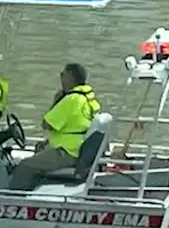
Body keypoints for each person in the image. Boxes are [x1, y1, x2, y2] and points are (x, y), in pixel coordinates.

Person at [8, 63, 100, 191]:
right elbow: (75, 126)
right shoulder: (86, 98)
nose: (60, 77)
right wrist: (47, 142)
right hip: (76, 148)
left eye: (63, 74)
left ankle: (13, 201)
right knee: (39, 149)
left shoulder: (71, 99)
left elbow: (47, 124)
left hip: (67, 151)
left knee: (25, 166)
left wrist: (56, 101)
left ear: (71, 77)